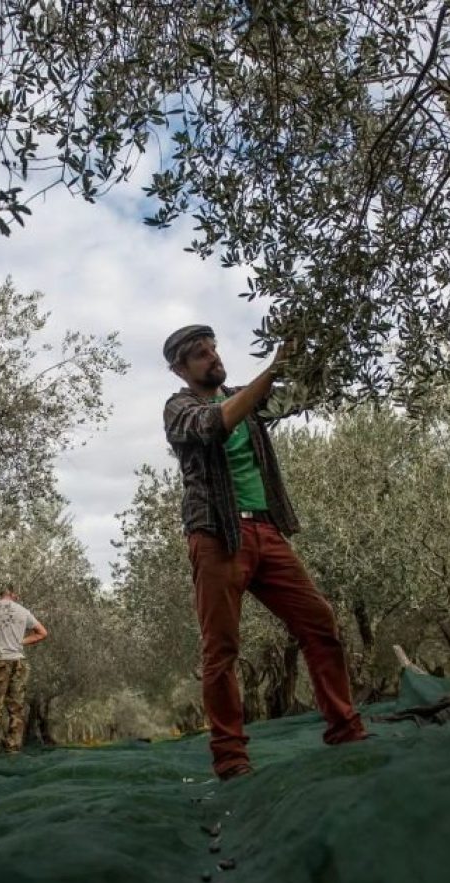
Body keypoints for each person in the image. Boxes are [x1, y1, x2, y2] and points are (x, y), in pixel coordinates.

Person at [162, 325, 369, 780]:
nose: (213, 357)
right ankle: (231, 758)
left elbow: (305, 395)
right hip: (217, 535)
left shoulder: (247, 397)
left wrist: (325, 340)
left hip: (267, 532)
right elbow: (214, 425)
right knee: (221, 650)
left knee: (319, 623)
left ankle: (344, 727)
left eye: (214, 348)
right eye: (200, 354)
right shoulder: (180, 408)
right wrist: (272, 369)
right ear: (181, 368)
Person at [0, 586, 48, 754]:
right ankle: (13, 750)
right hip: (18, 663)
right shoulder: (23, 611)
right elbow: (42, 633)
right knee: (16, 709)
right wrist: (19, 642)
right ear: (12, 593)